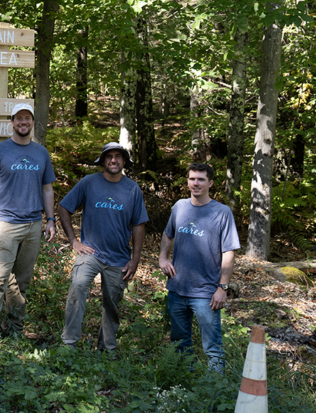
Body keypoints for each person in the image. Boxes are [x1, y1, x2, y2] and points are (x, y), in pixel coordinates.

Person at [58, 142, 149, 356]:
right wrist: (74, 241)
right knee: (78, 285)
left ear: (124, 161)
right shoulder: (89, 183)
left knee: (112, 303)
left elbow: (139, 225)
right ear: (103, 161)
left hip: (119, 258)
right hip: (91, 253)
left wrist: (135, 259)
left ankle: (106, 349)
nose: (114, 160)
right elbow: (64, 207)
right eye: (109, 157)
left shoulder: (132, 189)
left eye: (118, 156)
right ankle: (69, 344)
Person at [0, 103, 56, 337]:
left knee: (22, 282)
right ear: (12, 122)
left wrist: (50, 220)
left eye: (27, 118)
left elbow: (47, 189)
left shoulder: (41, 152)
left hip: (33, 226)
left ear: (32, 122)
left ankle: (14, 331)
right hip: (6, 225)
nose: (23, 122)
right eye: (19, 118)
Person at [159, 162, 240, 372]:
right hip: (177, 288)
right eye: (192, 178)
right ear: (187, 181)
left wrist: (222, 288)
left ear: (210, 183)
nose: (196, 183)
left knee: (212, 347)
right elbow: (168, 234)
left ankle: (214, 393)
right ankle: (186, 388)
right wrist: (163, 258)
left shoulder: (222, 212)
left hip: (206, 293)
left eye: (201, 179)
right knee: (180, 343)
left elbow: (228, 252)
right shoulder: (179, 206)